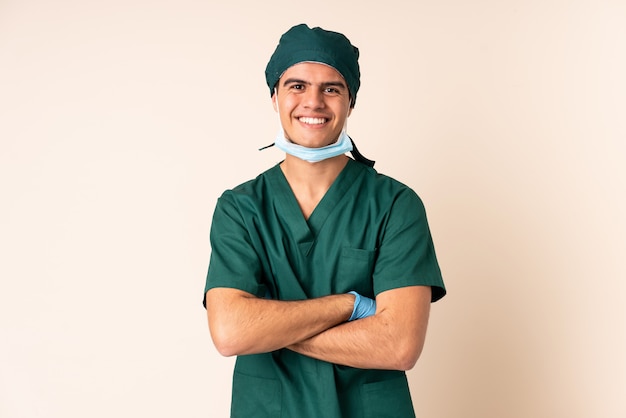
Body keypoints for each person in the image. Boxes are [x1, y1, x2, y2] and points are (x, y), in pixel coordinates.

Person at [203, 23, 446, 418]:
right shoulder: (240, 208)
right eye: (296, 86)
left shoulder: (396, 205)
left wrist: (268, 325)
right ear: (274, 96)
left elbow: (400, 344)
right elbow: (231, 332)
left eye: (331, 88)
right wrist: (348, 305)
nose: (313, 101)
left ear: (350, 101)